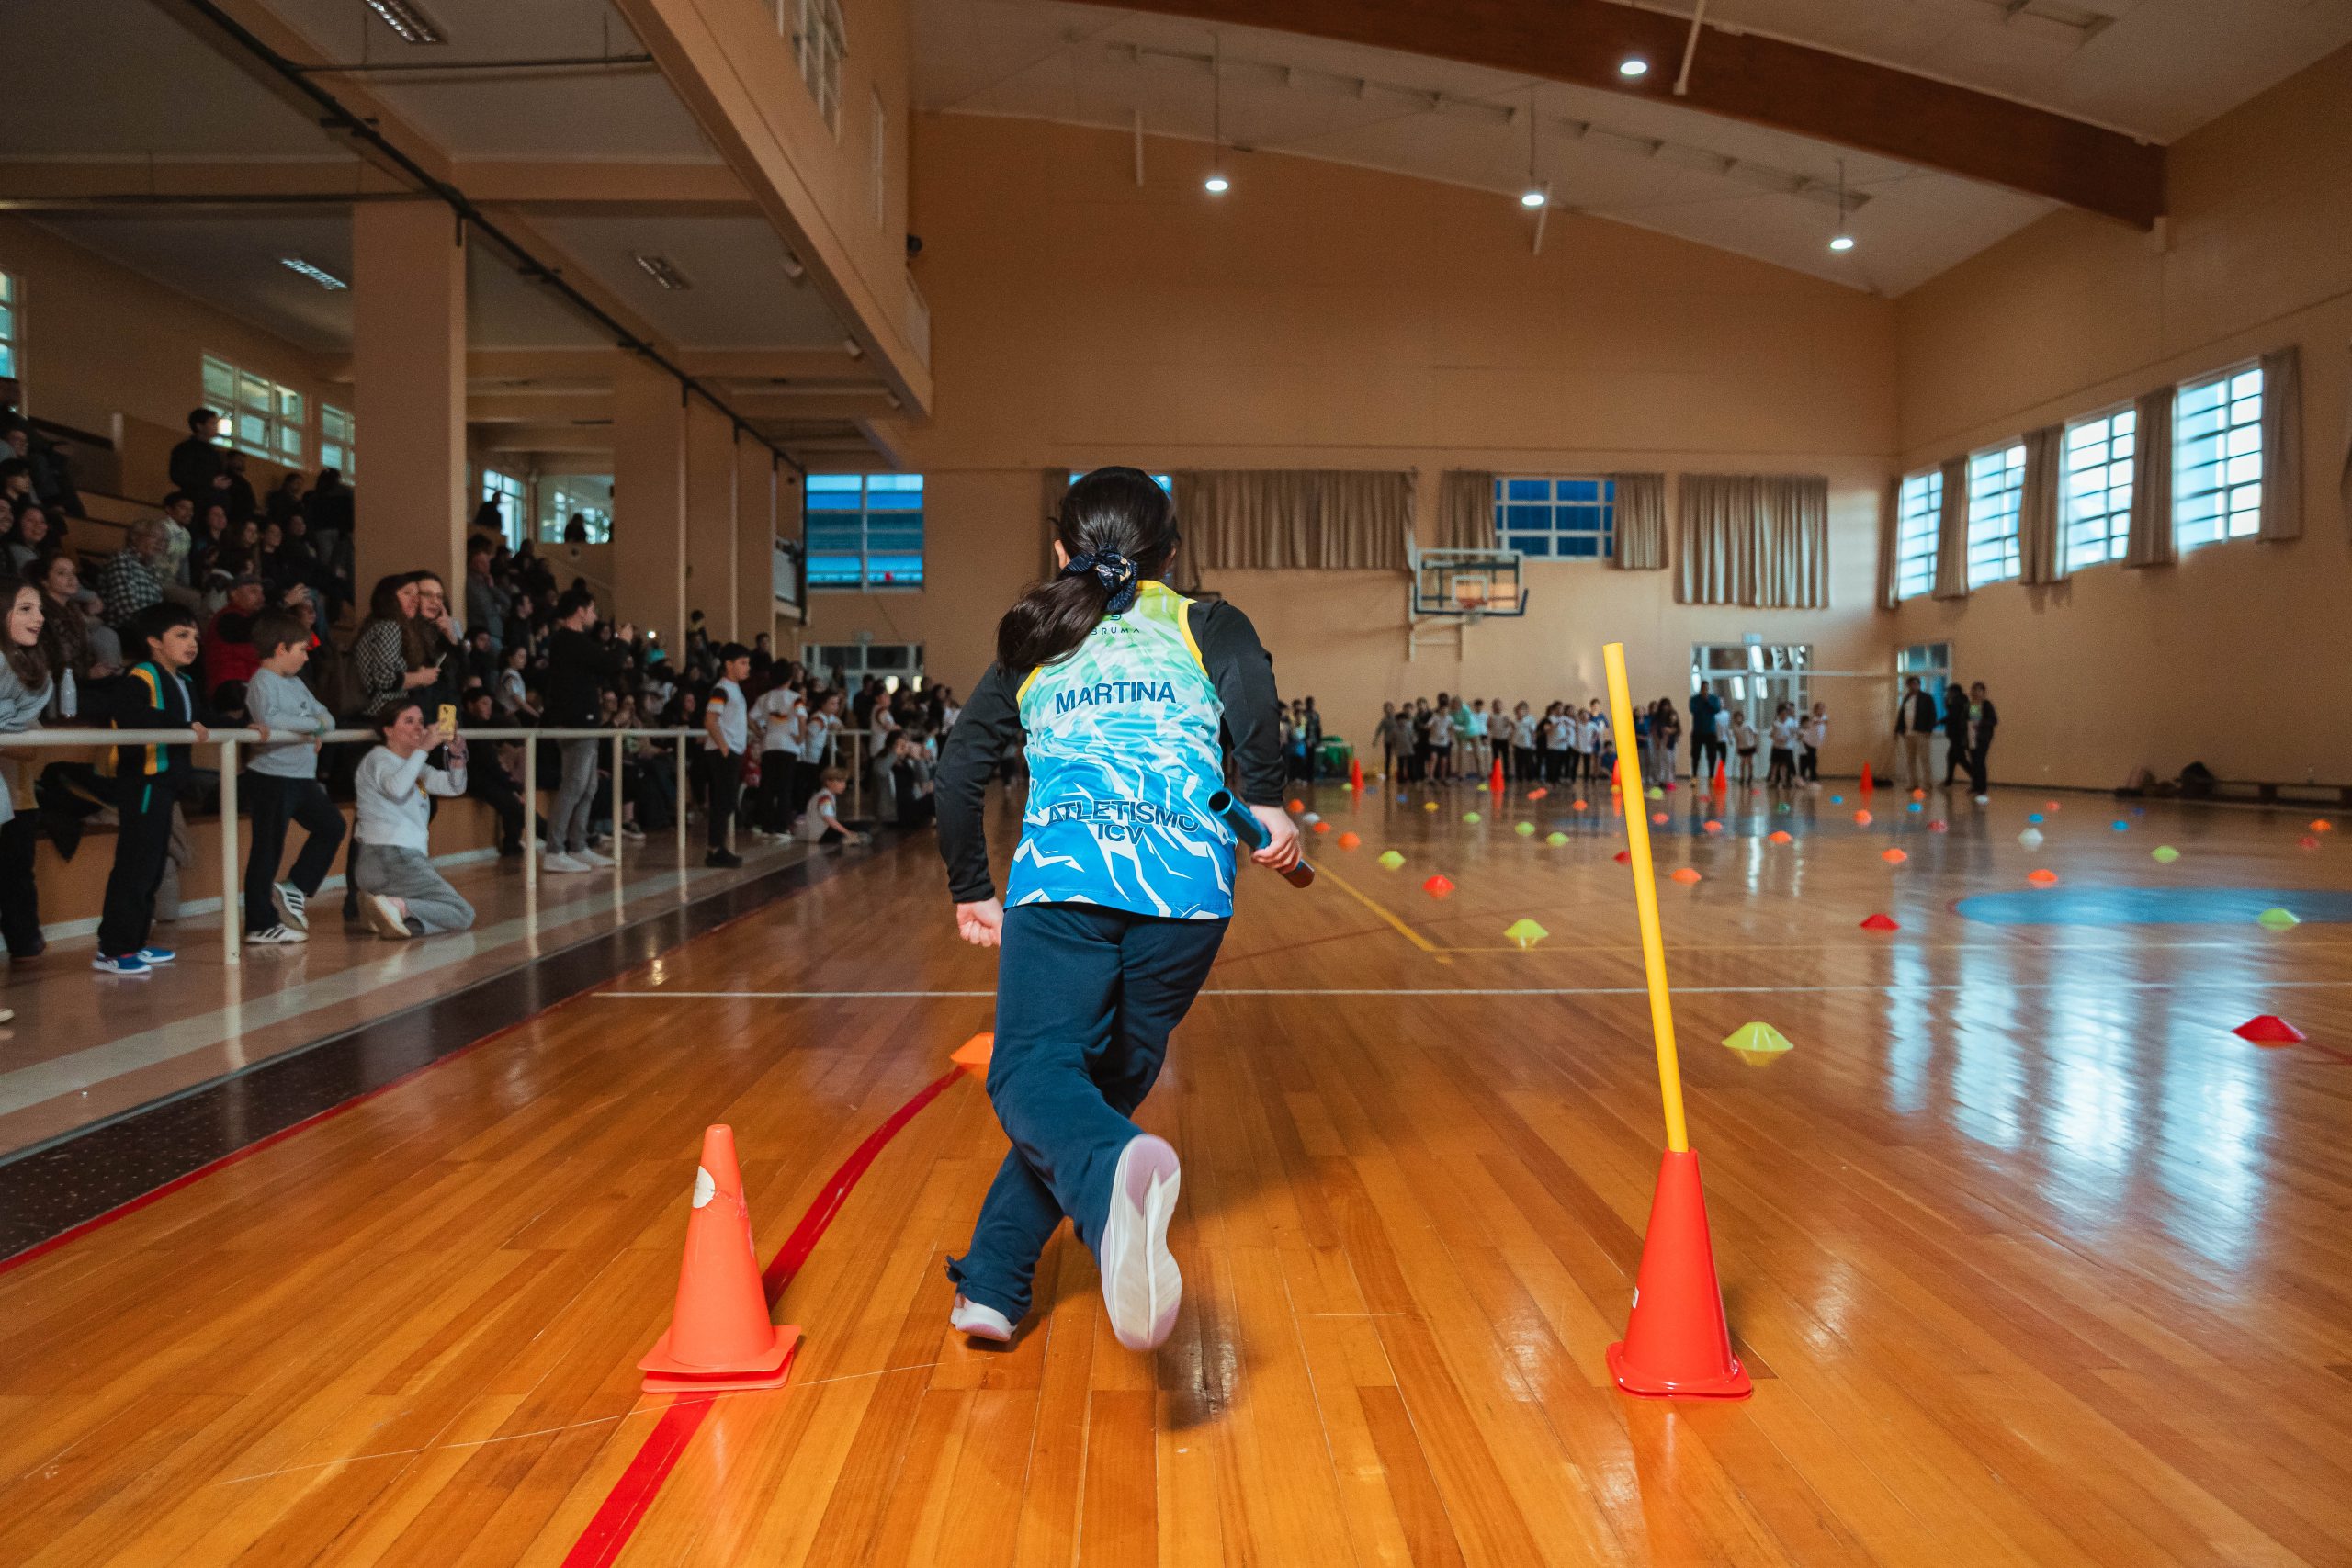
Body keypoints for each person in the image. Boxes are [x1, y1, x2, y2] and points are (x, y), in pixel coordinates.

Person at [932, 466, 1295, 1352]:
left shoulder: (1034, 638)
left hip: (1067, 879)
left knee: (1030, 1075)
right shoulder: (1205, 621)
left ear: (1061, 548)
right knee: (1098, 1089)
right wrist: (1267, 797)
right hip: (1187, 892)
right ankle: (993, 1282)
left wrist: (972, 886)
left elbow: (958, 768)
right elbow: (1251, 684)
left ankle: (1105, 1197)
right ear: (1171, 555)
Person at [86, 603, 249, 976]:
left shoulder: (185, 682)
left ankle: (134, 942)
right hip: (143, 784)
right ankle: (112, 949)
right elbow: (130, 714)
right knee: (135, 866)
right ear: (154, 641)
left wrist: (243, 726)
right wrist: (181, 725)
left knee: (152, 867)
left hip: (166, 786)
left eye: (195, 637)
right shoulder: (141, 675)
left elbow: (203, 717)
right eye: (181, 635)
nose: (192, 643)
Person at [240, 612, 343, 945]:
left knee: (332, 826)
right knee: (267, 849)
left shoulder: (296, 683)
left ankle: (295, 886)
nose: (306, 656)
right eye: (302, 649)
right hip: (272, 777)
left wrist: (314, 725)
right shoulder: (262, 681)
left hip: (301, 777)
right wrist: (312, 725)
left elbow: (328, 717)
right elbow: (272, 720)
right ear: (281, 649)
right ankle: (259, 923)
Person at [352, 698, 473, 939]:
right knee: (461, 912)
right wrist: (424, 749)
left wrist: (457, 757)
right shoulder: (379, 759)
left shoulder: (414, 765)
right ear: (388, 730)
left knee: (442, 911)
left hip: (390, 862)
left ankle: (390, 913)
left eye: (421, 721)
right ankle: (396, 906)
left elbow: (453, 787)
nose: (419, 727)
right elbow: (396, 788)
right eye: (409, 721)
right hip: (391, 857)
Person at [541, 587, 636, 873]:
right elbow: (611, 663)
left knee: (588, 787)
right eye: (592, 609)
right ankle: (555, 849)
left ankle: (578, 844)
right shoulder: (568, 641)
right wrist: (623, 641)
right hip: (575, 723)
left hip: (586, 722)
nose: (595, 615)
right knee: (573, 785)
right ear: (580, 611)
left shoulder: (577, 642)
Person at [1, 581, 53, 970]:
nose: (39, 618)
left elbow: (30, 747)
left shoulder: (25, 677)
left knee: (18, 878)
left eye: (39, 610)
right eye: (25, 609)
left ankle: (25, 944)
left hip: (18, 798)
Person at [701, 642, 751, 868]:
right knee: (724, 802)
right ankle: (715, 849)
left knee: (727, 802)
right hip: (724, 751)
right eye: (743, 663)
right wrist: (724, 747)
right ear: (729, 665)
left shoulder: (734, 689)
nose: (747, 667)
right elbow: (710, 719)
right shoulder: (722, 689)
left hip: (732, 750)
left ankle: (717, 848)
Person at [750, 673, 804, 835]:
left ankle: (766, 825)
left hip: (769, 745)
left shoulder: (764, 697)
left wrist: (759, 733)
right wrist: (800, 738)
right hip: (789, 746)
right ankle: (782, 826)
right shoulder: (795, 697)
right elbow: (802, 719)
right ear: (789, 679)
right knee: (785, 788)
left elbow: (750, 717)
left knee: (767, 786)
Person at [167, 408, 226, 502]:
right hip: (192, 500)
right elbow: (178, 476)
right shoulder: (185, 449)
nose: (216, 427)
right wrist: (209, 482)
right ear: (199, 426)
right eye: (212, 423)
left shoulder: (214, 452)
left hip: (211, 501)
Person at [797, 765, 862, 844]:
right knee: (857, 829)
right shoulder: (825, 797)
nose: (844, 785)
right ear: (828, 782)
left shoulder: (826, 795)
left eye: (844, 782)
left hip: (819, 834)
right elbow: (828, 818)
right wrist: (847, 832)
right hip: (820, 835)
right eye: (840, 782)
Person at [1894, 677, 1938, 790]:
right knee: (1910, 760)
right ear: (1908, 686)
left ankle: (1927, 783)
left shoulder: (1927, 698)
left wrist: (1929, 730)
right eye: (1910, 684)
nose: (1912, 686)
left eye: (1915, 684)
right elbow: (1901, 715)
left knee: (1924, 759)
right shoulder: (1907, 698)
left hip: (1921, 733)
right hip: (1908, 734)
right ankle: (1913, 783)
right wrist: (1897, 730)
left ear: (1919, 684)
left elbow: (1932, 714)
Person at [1965, 682, 1998, 802]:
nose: (1976, 693)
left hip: (1983, 738)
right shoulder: (1970, 705)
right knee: (1974, 762)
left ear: (1983, 692)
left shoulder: (1986, 705)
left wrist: (1980, 723)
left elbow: (1993, 720)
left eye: (1979, 690)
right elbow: (1967, 719)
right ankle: (1975, 786)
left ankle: (1982, 788)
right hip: (1971, 737)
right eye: (1974, 690)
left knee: (1980, 761)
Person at [1940, 681, 1971, 787]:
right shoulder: (1964, 701)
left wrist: (1939, 721)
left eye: (1949, 692)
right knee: (1952, 757)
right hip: (1959, 734)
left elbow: (1953, 717)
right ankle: (1948, 781)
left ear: (1955, 692)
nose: (1947, 694)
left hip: (1958, 734)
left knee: (1961, 758)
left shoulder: (1957, 702)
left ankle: (1977, 780)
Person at [1766, 701, 1800, 787]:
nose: (1784, 715)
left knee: (1785, 765)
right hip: (1777, 747)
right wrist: (1777, 738)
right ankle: (1774, 781)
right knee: (1775, 764)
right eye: (1782, 714)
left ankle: (1785, 781)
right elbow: (1771, 734)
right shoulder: (1775, 723)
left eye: (1785, 714)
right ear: (1779, 714)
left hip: (1787, 747)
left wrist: (1787, 738)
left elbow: (1794, 733)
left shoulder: (1791, 722)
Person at [1801, 702, 1828, 784]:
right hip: (1808, 742)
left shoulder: (1824, 717)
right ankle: (1813, 778)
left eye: (1823, 708)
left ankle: (1805, 776)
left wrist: (1822, 720)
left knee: (1809, 760)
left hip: (1815, 743)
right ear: (1815, 710)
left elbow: (1826, 721)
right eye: (1819, 709)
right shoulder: (1814, 718)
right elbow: (1816, 721)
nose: (1821, 710)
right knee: (1813, 760)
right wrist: (1820, 721)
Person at [1732, 708, 1760, 785]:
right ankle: (1742, 777)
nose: (1738, 719)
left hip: (1750, 746)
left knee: (1750, 762)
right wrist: (1737, 747)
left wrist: (1756, 744)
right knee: (1742, 763)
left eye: (1740, 717)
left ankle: (1750, 777)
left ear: (1742, 717)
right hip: (1742, 747)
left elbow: (1755, 734)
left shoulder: (1748, 724)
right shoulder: (1735, 728)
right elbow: (1737, 738)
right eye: (1736, 717)